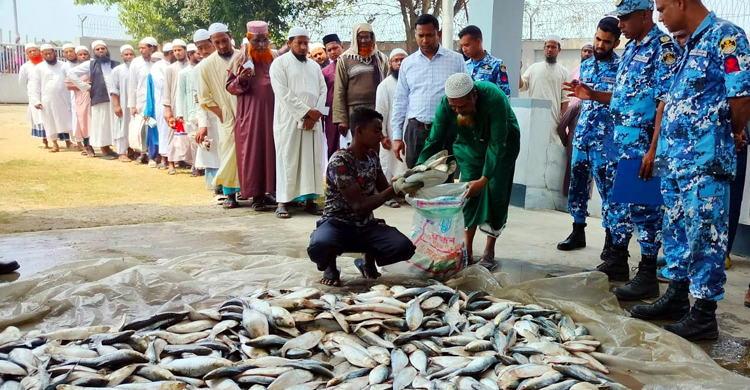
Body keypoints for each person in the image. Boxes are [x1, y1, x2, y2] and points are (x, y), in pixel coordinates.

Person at [629, 0, 750, 340]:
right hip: (677, 161)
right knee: (678, 232)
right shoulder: (688, 44)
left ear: (682, 2)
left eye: (663, 8)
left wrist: (729, 133)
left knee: (705, 235)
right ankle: (678, 298)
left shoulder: (726, 37)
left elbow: (740, 97)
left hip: (705, 162)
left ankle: (704, 314)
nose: (659, 16)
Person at [570, 0, 682, 302]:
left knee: (646, 209)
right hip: (620, 143)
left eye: (626, 18)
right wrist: (592, 94)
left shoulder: (662, 48)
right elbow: (622, 98)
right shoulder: (632, 48)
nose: (620, 24)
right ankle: (619, 261)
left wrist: (654, 149)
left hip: (644, 144)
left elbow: (664, 102)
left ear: (646, 15)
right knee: (628, 205)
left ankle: (647, 274)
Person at [416, 73, 520, 269]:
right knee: (468, 194)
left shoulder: (494, 97)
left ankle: (489, 251)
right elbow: (434, 139)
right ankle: (467, 250)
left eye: (462, 107)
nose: (457, 111)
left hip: (502, 145)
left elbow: (497, 143)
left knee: (496, 192)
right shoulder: (448, 104)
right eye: (453, 107)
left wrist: (485, 178)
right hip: (469, 145)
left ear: (474, 96)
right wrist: (417, 170)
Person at [307, 107, 419, 286]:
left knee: (403, 247)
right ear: (359, 131)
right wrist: (394, 189)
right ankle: (330, 266)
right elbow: (358, 205)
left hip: (365, 225)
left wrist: (408, 184)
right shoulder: (340, 161)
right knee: (320, 245)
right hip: (337, 224)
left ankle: (368, 260)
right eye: (376, 131)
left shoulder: (372, 157)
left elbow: (385, 189)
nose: (380, 136)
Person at [557, 18, 621, 259]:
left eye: (606, 42)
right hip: (583, 135)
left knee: (608, 193)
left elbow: (620, 100)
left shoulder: (620, 67)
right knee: (577, 186)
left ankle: (611, 240)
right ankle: (577, 230)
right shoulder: (585, 65)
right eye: (598, 39)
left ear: (615, 42)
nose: (600, 45)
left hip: (606, 141)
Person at [391, 14, 468, 168]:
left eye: (429, 35)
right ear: (415, 35)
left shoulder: (456, 60)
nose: (425, 40)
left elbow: (466, 94)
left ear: (438, 34)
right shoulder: (407, 63)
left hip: (445, 131)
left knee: (444, 179)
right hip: (416, 131)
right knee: (415, 180)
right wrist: (397, 137)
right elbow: (400, 101)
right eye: (421, 36)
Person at [269, 26, 327, 219]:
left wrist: (315, 114)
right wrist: (305, 112)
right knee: (288, 158)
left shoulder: (314, 66)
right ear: (289, 43)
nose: (303, 47)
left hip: (313, 120)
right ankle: (283, 202)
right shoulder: (279, 64)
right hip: (289, 120)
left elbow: (323, 90)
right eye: (299, 43)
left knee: (311, 159)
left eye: (305, 43)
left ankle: (310, 201)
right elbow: (283, 93)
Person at [226, 21, 278, 211]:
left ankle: (270, 192)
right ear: (249, 39)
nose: (262, 44)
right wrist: (242, 79)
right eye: (257, 40)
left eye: (265, 40)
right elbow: (230, 86)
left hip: (273, 114)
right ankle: (256, 196)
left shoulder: (275, 56)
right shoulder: (240, 58)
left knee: (272, 151)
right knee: (253, 153)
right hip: (251, 116)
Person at [198, 23, 242, 208]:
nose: (222, 45)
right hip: (226, 115)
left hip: (248, 112)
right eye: (217, 42)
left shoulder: (243, 56)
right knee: (229, 154)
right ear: (212, 42)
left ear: (230, 37)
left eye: (225, 40)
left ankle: (257, 193)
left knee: (251, 153)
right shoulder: (206, 65)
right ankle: (230, 194)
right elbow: (204, 97)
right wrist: (222, 114)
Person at [332, 23, 389, 139]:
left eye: (367, 37)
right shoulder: (345, 59)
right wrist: (342, 120)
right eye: (360, 37)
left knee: (377, 145)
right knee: (358, 146)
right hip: (354, 111)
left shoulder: (381, 58)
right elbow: (339, 90)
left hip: (377, 108)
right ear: (354, 38)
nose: (364, 41)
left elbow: (388, 84)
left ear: (372, 38)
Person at [67, 40, 120, 160]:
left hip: (114, 99)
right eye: (98, 49)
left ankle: (108, 149)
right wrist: (85, 87)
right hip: (99, 98)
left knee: (110, 124)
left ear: (107, 50)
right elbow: (71, 73)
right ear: (94, 52)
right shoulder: (90, 64)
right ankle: (103, 150)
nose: (101, 51)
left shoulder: (115, 64)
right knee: (101, 124)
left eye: (103, 48)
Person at [519, 35, 571, 143]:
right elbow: (522, 86)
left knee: (550, 150)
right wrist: (517, 71)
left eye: (553, 47)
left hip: (553, 121)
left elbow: (565, 100)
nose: (550, 50)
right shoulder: (534, 68)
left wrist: (562, 122)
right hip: (533, 118)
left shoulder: (564, 72)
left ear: (559, 50)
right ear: (544, 49)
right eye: (547, 47)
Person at [192, 29, 223, 196]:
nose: (204, 51)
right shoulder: (198, 69)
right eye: (200, 48)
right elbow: (199, 100)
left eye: (207, 46)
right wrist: (202, 124)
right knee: (213, 149)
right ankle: (217, 184)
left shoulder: (227, 60)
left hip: (229, 113)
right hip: (210, 115)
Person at [375, 48, 409, 191]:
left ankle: (406, 191)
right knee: (389, 163)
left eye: (403, 60)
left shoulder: (411, 81)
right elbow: (380, 112)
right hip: (390, 131)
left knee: (407, 163)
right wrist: (382, 136)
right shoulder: (385, 85)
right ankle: (388, 193)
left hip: (410, 131)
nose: (400, 63)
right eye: (396, 60)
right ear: (390, 63)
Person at [29, 44, 73, 153]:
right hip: (47, 100)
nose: (49, 55)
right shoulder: (39, 68)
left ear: (54, 53)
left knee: (68, 120)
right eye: (46, 54)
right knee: (50, 122)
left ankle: (75, 142)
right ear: (42, 55)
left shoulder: (64, 65)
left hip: (64, 99)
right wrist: (36, 100)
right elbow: (35, 85)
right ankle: (55, 144)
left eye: (50, 53)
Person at [162, 39, 192, 174]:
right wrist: (167, 109)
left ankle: (192, 163)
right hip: (174, 106)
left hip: (189, 105)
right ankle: (171, 164)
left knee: (190, 133)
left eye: (180, 50)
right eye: (175, 51)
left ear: (186, 50)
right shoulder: (170, 69)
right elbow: (167, 89)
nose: (177, 53)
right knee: (173, 134)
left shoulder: (193, 67)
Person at [128, 37, 159, 165]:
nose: (141, 50)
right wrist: (133, 105)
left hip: (157, 101)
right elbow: (132, 85)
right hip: (141, 101)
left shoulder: (157, 61)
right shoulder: (136, 63)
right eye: (139, 48)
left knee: (154, 128)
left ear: (152, 48)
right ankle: (142, 154)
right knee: (141, 129)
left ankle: (155, 154)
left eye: (143, 48)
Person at [459, 25, 511, 96]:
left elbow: (504, 94)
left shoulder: (497, 64)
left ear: (478, 41)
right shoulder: (464, 65)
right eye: (462, 46)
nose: (464, 49)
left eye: (467, 45)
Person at [65, 46, 94, 156]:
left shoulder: (94, 66)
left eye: (85, 54)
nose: (83, 56)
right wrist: (86, 86)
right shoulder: (75, 70)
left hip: (95, 98)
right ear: (77, 56)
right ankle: (88, 146)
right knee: (84, 123)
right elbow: (68, 85)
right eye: (80, 55)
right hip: (81, 100)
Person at [18, 43, 48, 148]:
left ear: (39, 51)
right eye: (30, 52)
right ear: (26, 54)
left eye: (34, 50)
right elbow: (22, 82)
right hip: (35, 97)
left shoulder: (47, 63)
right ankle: (45, 141)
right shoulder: (25, 67)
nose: (33, 53)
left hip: (49, 95)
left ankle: (66, 141)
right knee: (39, 119)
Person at [110, 44, 136, 162]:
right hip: (123, 103)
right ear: (122, 56)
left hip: (135, 104)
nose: (129, 56)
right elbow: (114, 89)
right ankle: (121, 152)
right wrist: (116, 105)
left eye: (131, 54)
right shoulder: (117, 70)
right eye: (126, 54)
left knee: (134, 126)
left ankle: (132, 149)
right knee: (122, 126)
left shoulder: (137, 68)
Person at [322, 34, 344, 158]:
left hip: (348, 112)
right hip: (331, 116)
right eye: (329, 50)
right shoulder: (324, 72)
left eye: (335, 48)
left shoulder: (349, 66)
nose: (332, 52)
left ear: (342, 46)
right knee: (333, 146)